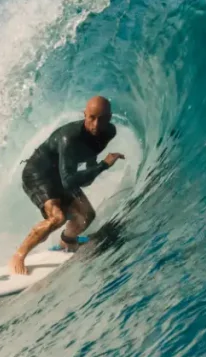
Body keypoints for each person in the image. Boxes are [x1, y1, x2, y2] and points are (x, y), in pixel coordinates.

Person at [9, 95, 125, 275]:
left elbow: (84, 173)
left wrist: (96, 167)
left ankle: (67, 242)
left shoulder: (108, 133)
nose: (95, 125)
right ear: (84, 115)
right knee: (58, 217)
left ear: (109, 118)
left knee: (87, 215)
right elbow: (69, 181)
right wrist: (104, 165)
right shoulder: (69, 138)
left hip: (61, 174)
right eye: (91, 118)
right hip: (38, 173)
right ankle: (19, 255)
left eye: (101, 119)